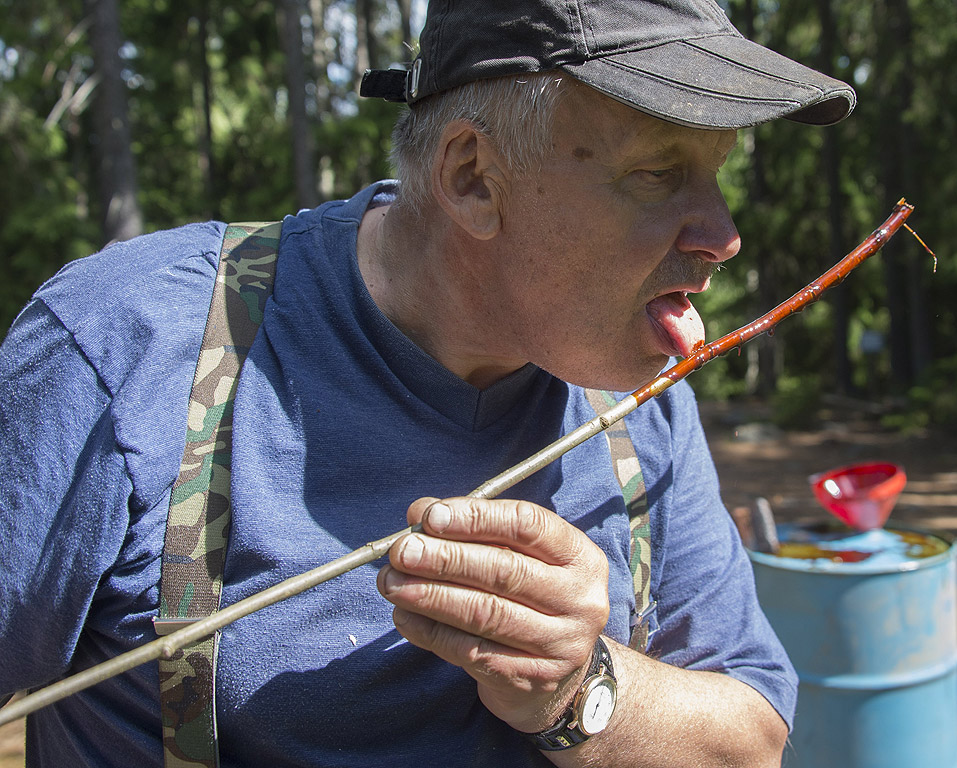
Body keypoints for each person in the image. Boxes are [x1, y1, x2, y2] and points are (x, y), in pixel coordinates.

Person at [0, 0, 855, 765]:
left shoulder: (644, 399)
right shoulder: (129, 347)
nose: (725, 234)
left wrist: (580, 690)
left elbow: (751, 739)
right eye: (659, 173)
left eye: (719, 172)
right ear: (472, 178)